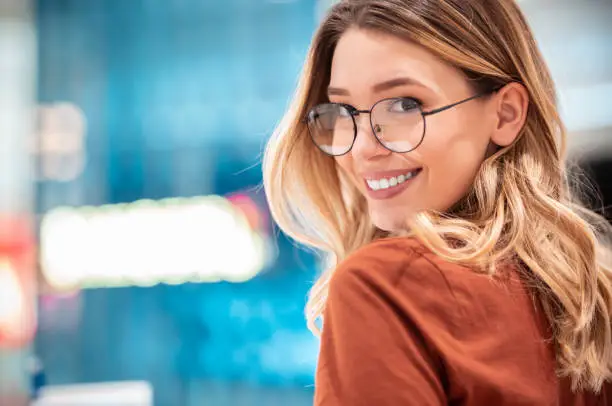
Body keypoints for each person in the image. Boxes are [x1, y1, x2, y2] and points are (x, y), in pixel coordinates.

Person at [262, 0, 612, 404]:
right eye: (343, 111)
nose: (363, 149)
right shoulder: (587, 299)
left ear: (506, 114)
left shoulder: (382, 286)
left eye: (404, 105)